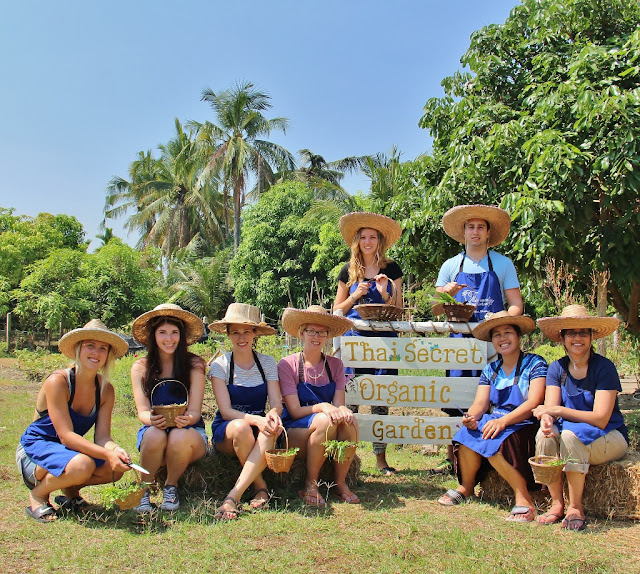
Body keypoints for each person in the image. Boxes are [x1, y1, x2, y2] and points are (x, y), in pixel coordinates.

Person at [434, 204, 524, 474]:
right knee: (455, 401)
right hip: (458, 346)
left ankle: (487, 454)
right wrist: (445, 293)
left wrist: (503, 316)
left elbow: (517, 305)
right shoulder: (451, 265)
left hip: (492, 345)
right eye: (470, 227)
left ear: (488, 233)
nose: (475, 232)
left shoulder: (502, 264)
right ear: (463, 233)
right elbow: (436, 309)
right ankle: (453, 458)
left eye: (480, 227)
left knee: (491, 400)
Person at [437, 311, 547, 523]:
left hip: (524, 423)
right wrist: (472, 416)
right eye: (497, 334)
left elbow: (534, 403)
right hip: (496, 420)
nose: (502, 338)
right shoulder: (490, 369)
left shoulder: (535, 363)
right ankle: (467, 487)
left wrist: (504, 421)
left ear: (518, 336)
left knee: (491, 437)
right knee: (467, 433)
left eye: (507, 332)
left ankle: (523, 497)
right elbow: (481, 403)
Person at [16, 320, 131, 522]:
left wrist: (115, 451)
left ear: (108, 355)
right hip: (36, 449)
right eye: (90, 346)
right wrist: (106, 453)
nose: (96, 353)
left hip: (68, 451)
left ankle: (70, 489)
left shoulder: (105, 390)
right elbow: (66, 436)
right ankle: (39, 495)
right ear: (78, 348)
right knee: (83, 465)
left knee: (113, 469)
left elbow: (103, 436)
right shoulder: (58, 381)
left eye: (102, 348)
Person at [533, 304, 628, 531]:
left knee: (569, 436)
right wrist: (547, 421)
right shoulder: (557, 369)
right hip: (572, 433)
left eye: (583, 332)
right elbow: (551, 410)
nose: (578, 338)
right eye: (571, 333)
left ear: (592, 336)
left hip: (609, 436)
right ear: (562, 338)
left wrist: (556, 412)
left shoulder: (604, 368)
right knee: (545, 436)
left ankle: (575, 507)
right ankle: (557, 504)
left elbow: (601, 419)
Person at [333, 211, 403, 476]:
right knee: (351, 399)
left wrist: (386, 292)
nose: (368, 241)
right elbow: (337, 309)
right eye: (363, 237)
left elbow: (399, 307)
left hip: (385, 342)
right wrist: (356, 295)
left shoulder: (391, 268)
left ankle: (381, 460)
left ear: (380, 241)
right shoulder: (348, 271)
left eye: (372, 236)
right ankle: (347, 458)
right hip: (354, 342)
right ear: (357, 241)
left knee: (380, 399)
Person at [207, 303, 283, 521]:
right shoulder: (220, 366)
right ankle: (260, 485)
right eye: (235, 333)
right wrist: (257, 420)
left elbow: (276, 401)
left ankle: (233, 496)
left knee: (270, 429)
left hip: (258, 428)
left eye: (246, 332)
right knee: (241, 428)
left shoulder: (267, 362)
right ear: (228, 335)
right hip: (229, 430)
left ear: (255, 333)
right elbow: (226, 410)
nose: (241, 338)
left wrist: (273, 414)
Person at [278, 305, 359, 506]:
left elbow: (339, 405)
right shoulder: (288, 365)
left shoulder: (335, 365)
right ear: (301, 333)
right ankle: (310, 485)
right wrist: (322, 406)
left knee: (350, 422)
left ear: (328, 335)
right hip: (294, 433)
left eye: (322, 332)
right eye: (311, 331)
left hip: (324, 430)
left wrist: (344, 412)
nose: (316, 336)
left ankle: (339, 483)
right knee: (324, 421)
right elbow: (295, 411)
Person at [130, 303, 208, 512]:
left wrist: (188, 419)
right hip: (155, 432)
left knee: (178, 436)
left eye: (174, 333)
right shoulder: (141, 367)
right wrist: (151, 419)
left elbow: (194, 411)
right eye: (162, 332)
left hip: (190, 434)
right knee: (156, 434)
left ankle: (170, 486)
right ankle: (143, 489)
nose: (169, 339)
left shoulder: (195, 365)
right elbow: (143, 411)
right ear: (153, 335)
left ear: (181, 336)